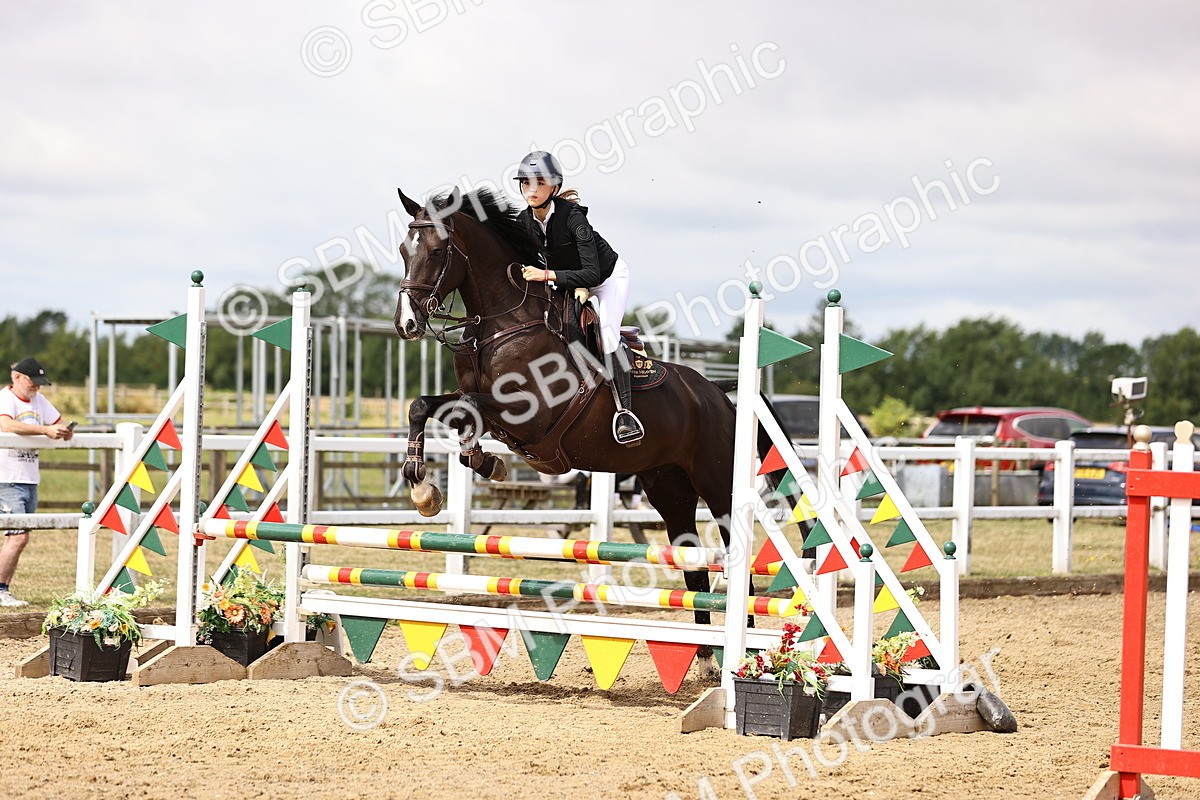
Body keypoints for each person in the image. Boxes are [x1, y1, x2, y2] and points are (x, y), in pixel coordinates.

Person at [513, 150, 644, 444]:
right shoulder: (525, 221)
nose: (531, 189)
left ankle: (625, 413)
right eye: (526, 183)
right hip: (569, 282)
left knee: (607, 335)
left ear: (554, 187)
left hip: (607, 278)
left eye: (539, 183)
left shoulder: (573, 217)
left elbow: (591, 273)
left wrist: (545, 275)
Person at [0, 357, 73, 607]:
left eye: (40, 383)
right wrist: (45, 431)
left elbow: (57, 422)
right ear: (17, 377)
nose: (37, 387)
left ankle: (3, 589)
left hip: (29, 477)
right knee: (18, 536)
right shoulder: (6, 398)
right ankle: (1, 589)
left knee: (17, 536)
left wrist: (64, 431)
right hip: (7, 477)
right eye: (33, 382)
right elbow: (6, 424)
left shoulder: (39, 400)